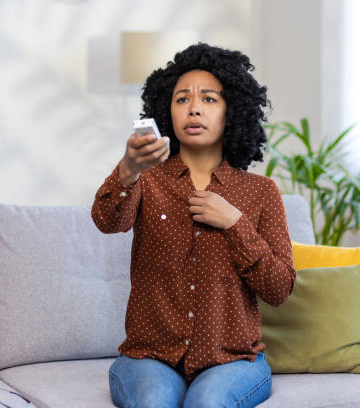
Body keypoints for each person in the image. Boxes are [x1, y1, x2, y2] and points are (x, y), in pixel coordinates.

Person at [91, 42, 296, 408]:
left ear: (231, 112)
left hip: (233, 360)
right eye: (182, 99)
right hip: (149, 358)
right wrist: (128, 170)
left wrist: (235, 223)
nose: (195, 107)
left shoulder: (261, 192)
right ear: (167, 111)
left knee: (207, 403)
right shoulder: (147, 180)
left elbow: (279, 288)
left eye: (209, 99)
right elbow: (106, 221)